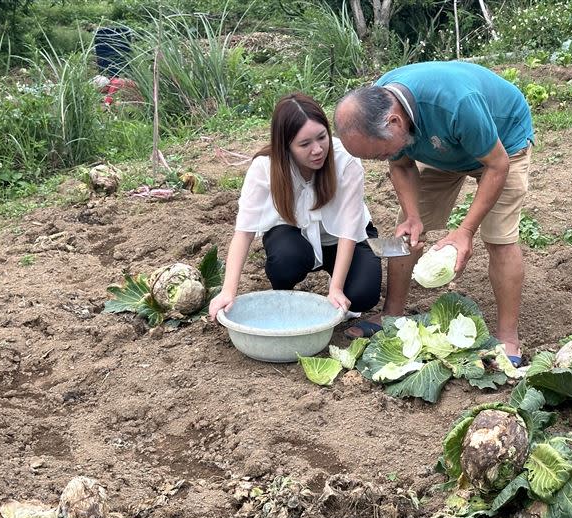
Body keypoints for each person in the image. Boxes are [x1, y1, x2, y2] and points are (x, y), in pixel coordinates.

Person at [334, 61, 534, 365]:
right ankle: (392, 314)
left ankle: (508, 337)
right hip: (441, 147)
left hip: (502, 144)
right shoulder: (383, 103)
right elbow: (399, 164)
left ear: (395, 122)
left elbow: (497, 165)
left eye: (380, 153)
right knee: (407, 230)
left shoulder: (457, 103)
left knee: (499, 238)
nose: (382, 159)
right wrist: (414, 216)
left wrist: (465, 231)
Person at [209, 93, 382, 321]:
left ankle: (337, 276)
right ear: (286, 146)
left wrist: (336, 288)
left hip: (342, 238)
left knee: (363, 295)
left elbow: (349, 231)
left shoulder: (345, 160)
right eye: (305, 144)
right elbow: (244, 232)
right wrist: (228, 291)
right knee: (286, 259)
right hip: (294, 236)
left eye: (322, 137)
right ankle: (284, 293)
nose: (318, 149)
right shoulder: (265, 167)